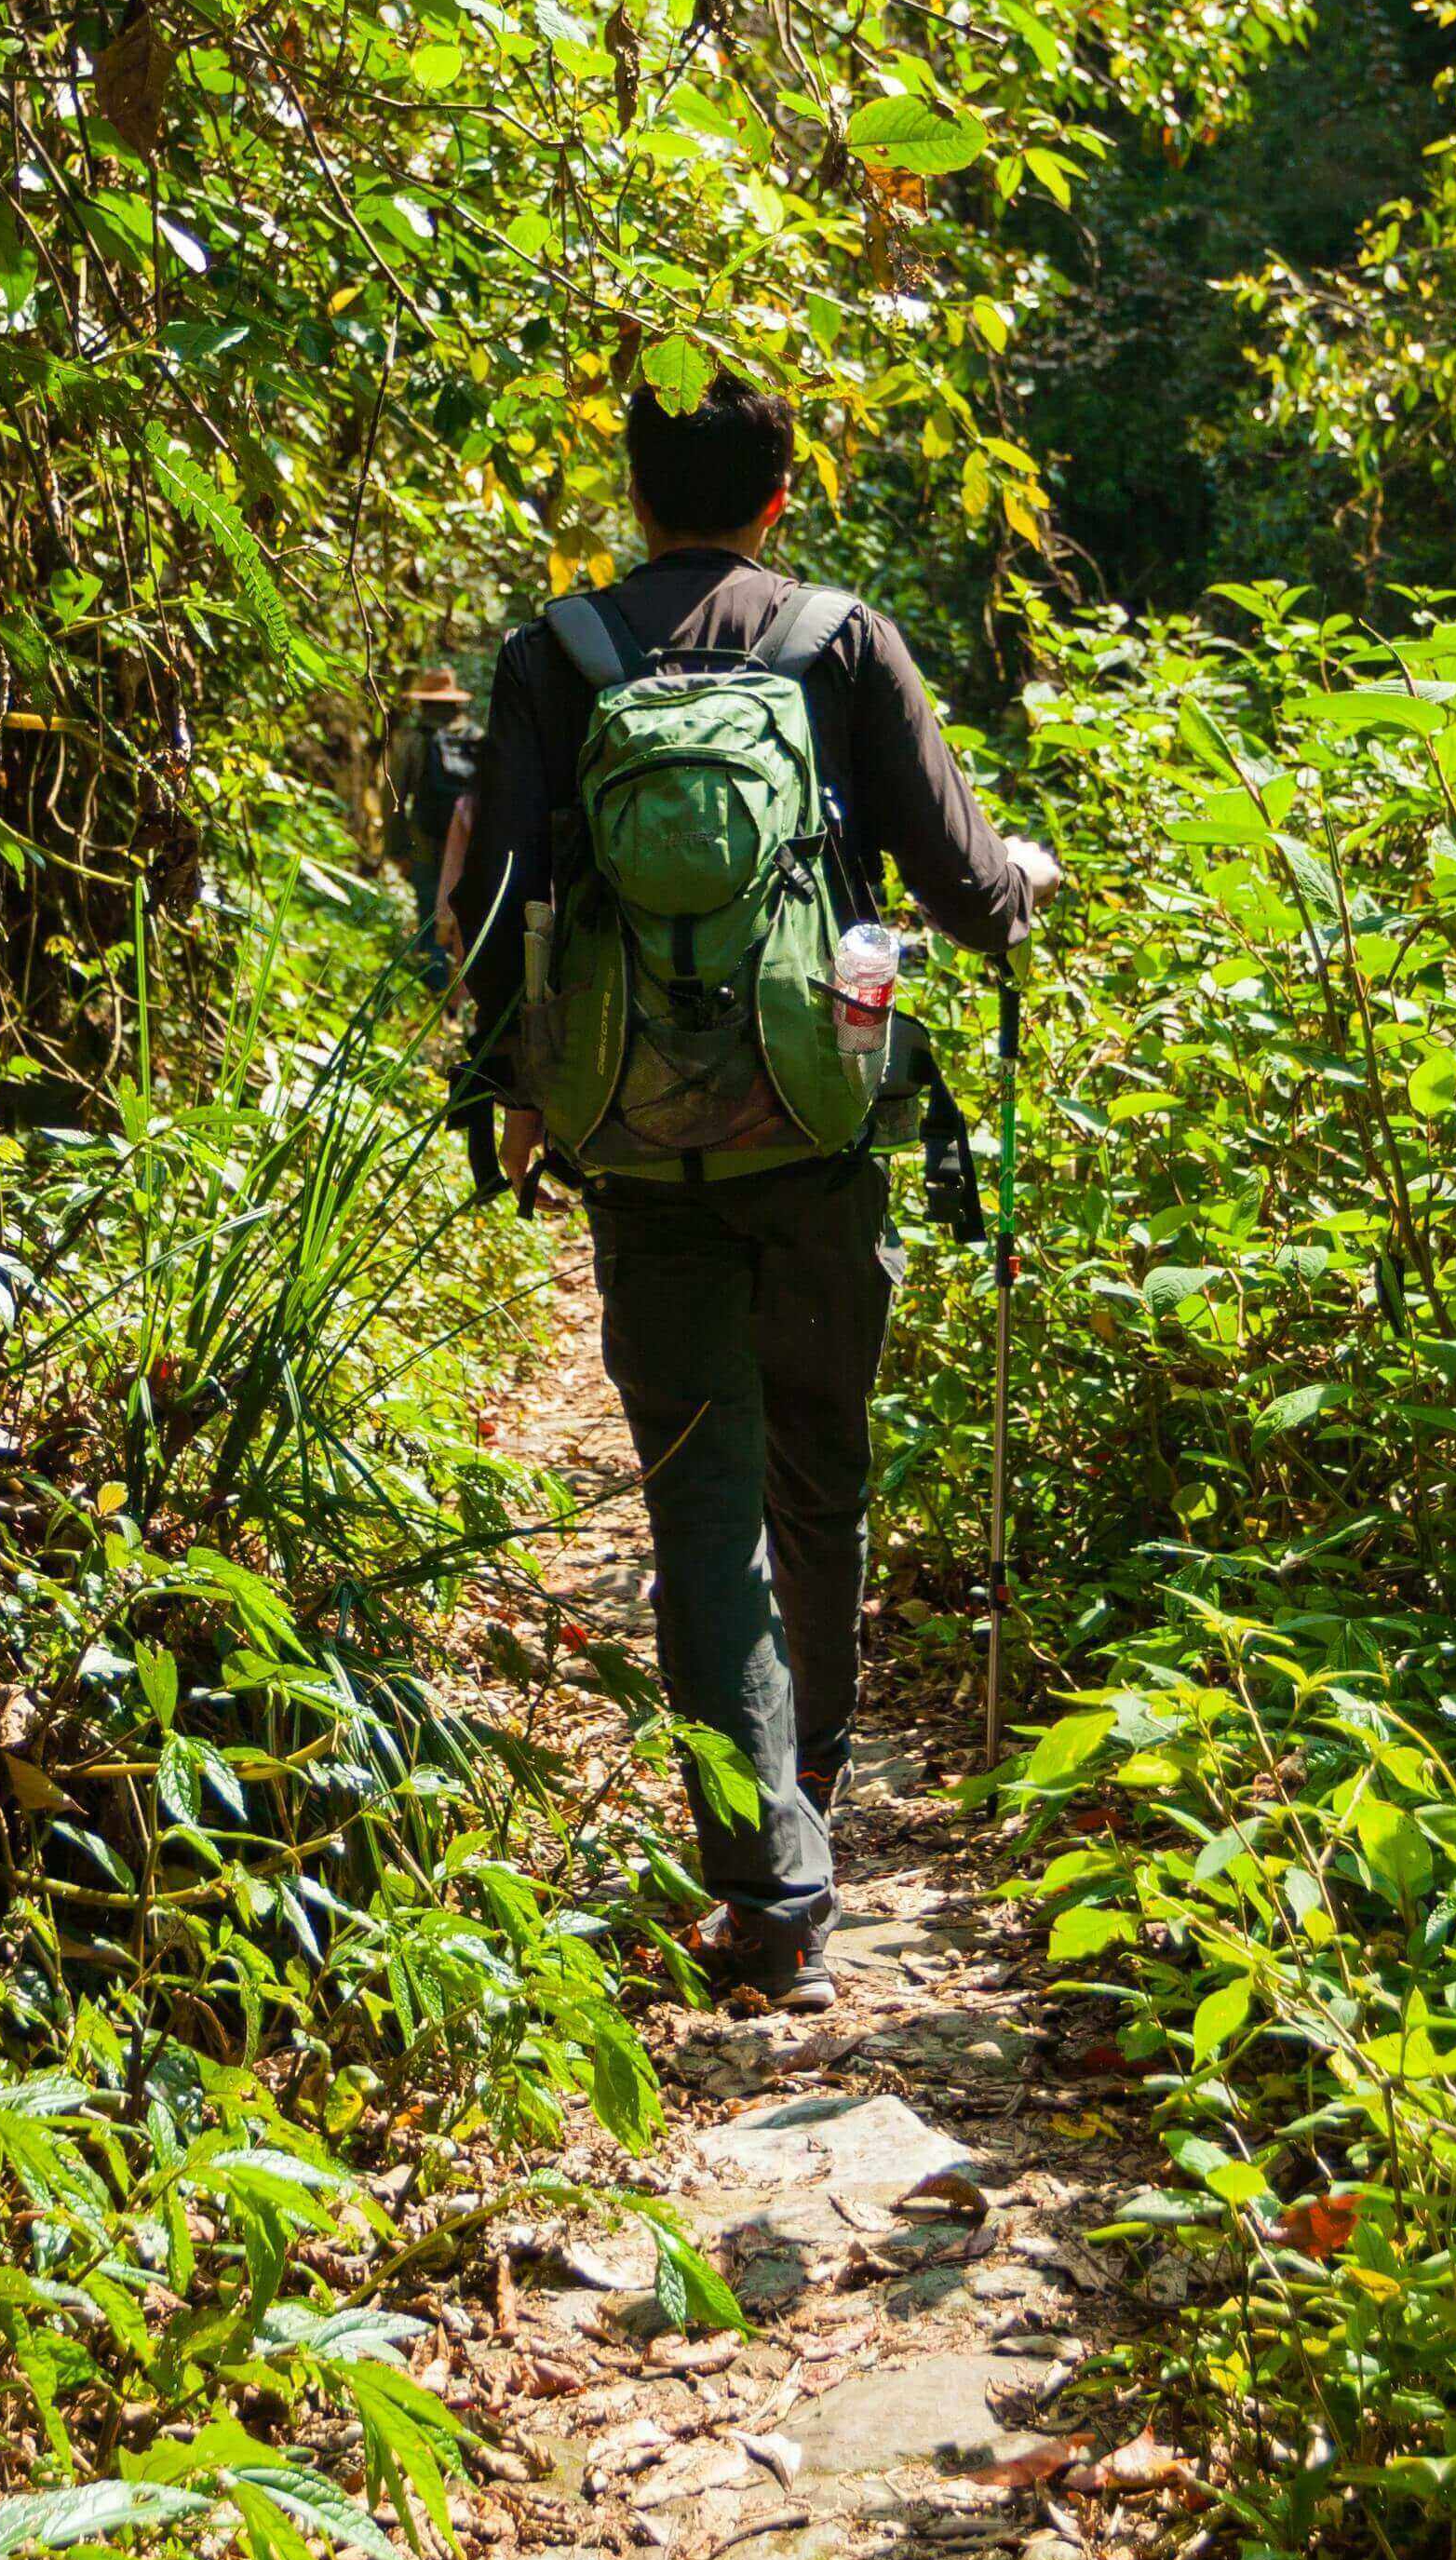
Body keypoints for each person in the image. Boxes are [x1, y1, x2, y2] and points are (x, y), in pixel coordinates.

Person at [450, 379, 1059, 2006]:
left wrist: (512, 1090)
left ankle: (767, 1882)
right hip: (818, 1121)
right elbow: (958, 880)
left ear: (633, 492)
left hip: (632, 1143)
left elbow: (495, 897)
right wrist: (1021, 894)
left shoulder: (552, 655)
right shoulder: (843, 641)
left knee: (699, 1505)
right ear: (782, 495)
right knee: (819, 1472)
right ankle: (813, 1801)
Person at [379, 663, 487, 981]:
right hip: (469, 841)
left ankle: (434, 987)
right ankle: (465, 992)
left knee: (430, 910)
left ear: (424, 702)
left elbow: (393, 798)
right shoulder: (478, 739)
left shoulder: (412, 740)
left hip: (425, 839)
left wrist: (395, 848)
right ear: (456, 702)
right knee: (467, 911)